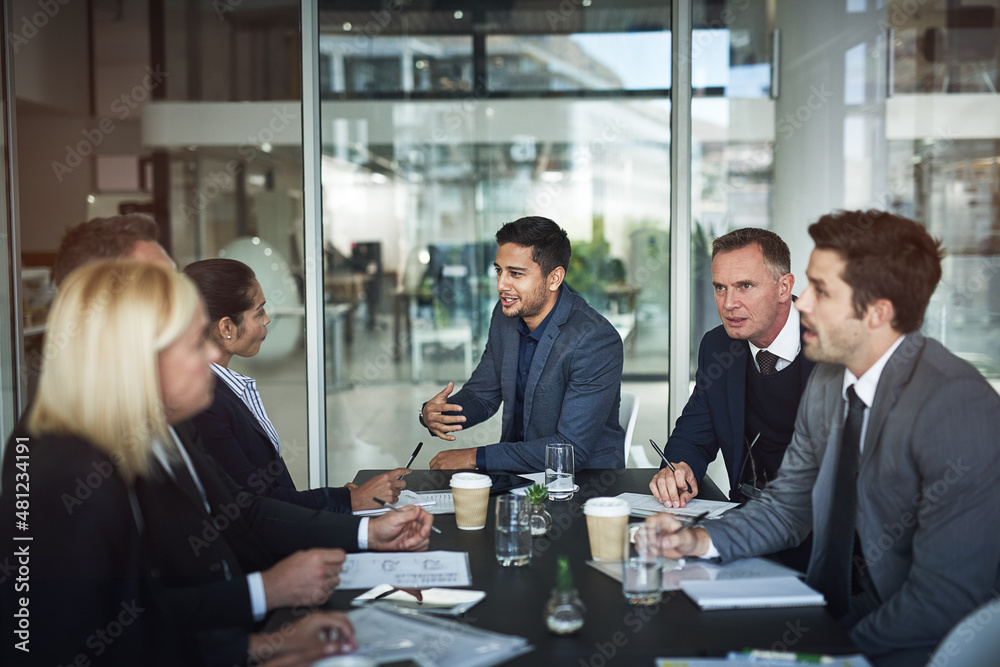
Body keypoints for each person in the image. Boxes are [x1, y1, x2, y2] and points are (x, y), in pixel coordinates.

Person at [646, 210, 1000, 664]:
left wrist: (826, 653)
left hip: (916, 642)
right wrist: (701, 541)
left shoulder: (956, 404)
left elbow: (941, 600)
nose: (802, 302)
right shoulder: (831, 379)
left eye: (822, 290)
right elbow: (788, 506)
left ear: (878, 311)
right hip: (829, 606)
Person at [0, 261, 357, 666]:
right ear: (138, 360)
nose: (210, 355)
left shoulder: (146, 435)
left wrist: (259, 647)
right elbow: (79, 644)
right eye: (193, 344)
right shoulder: (70, 478)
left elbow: (146, 615)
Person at [184, 258, 408, 512]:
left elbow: (270, 494)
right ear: (226, 327)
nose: (267, 320)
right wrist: (349, 501)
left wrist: (340, 498)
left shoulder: (224, 389)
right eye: (259, 313)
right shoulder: (206, 403)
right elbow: (257, 508)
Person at [422, 216, 625, 472]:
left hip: (583, 484)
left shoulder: (594, 340)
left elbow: (571, 449)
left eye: (515, 274)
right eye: (499, 270)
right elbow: (483, 395)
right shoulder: (505, 315)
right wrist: (437, 415)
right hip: (518, 475)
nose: (501, 285)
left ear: (554, 279)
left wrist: (476, 457)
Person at [648, 228, 816, 507]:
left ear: (784, 287)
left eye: (745, 286)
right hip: (747, 517)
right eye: (720, 287)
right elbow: (694, 435)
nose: (728, 304)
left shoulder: (831, 345)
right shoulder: (718, 347)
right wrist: (680, 467)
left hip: (823, 525)